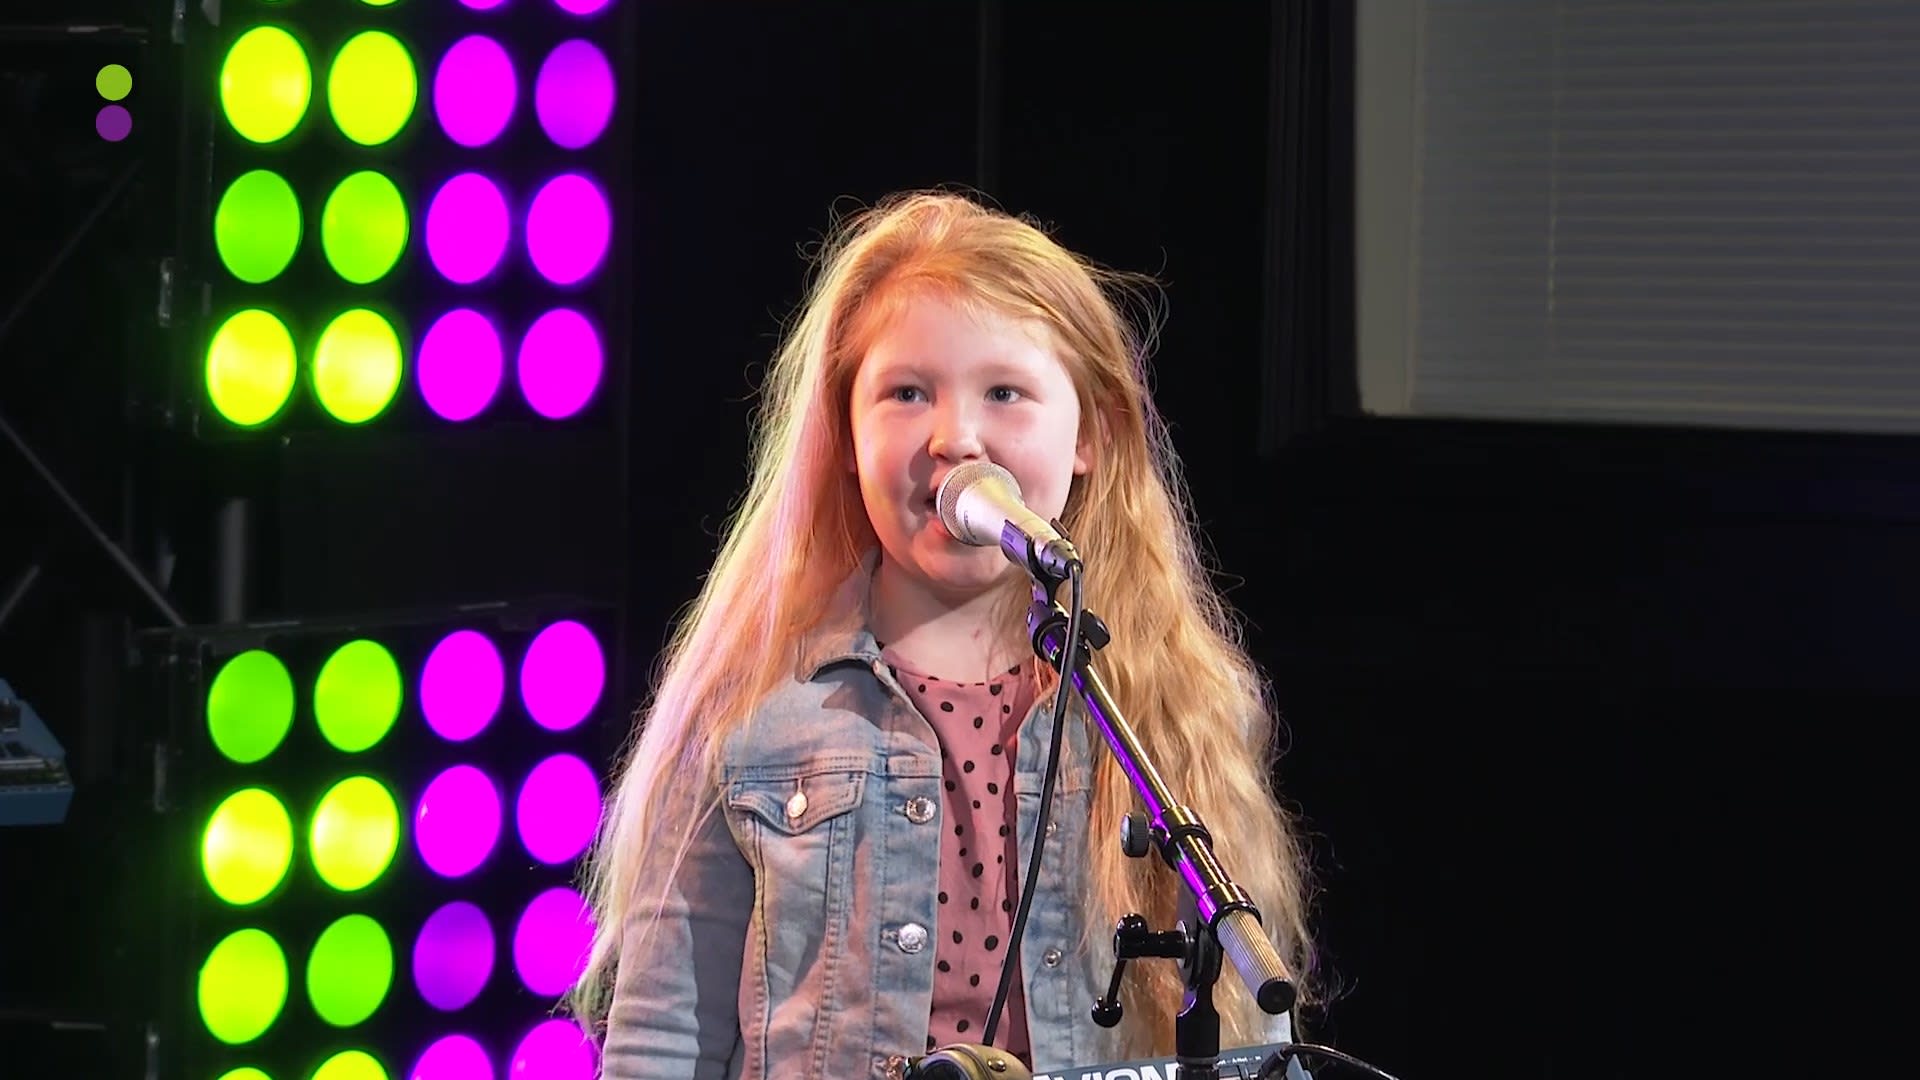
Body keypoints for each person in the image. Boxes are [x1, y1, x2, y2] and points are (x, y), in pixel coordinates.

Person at [571, 189, 1316, 1080]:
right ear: (845, 435)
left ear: (1091, 433)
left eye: (1005, 393)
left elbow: (1245, 1027)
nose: (956, 437)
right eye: (907, 393)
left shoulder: (1166, 706)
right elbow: (660, 1040)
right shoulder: (753, 707)